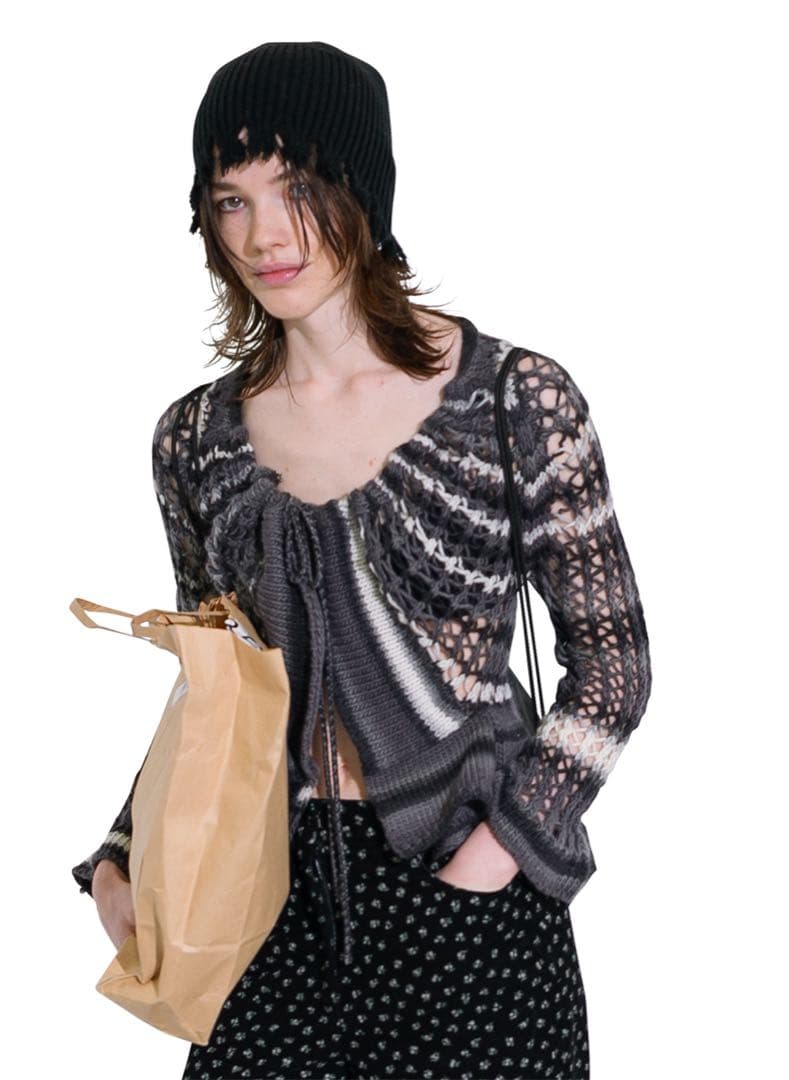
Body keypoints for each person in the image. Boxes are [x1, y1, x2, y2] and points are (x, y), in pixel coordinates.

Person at [72, 41, 652, 1080]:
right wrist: (124, 851)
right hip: (265, 901)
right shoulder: (194, 440)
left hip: (474, 904)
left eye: (296, 188)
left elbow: (614, 669)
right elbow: (216, 690)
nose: (264, 234)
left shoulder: (514, 401)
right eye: (231, 200)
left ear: (364, 191)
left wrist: (493, 861)